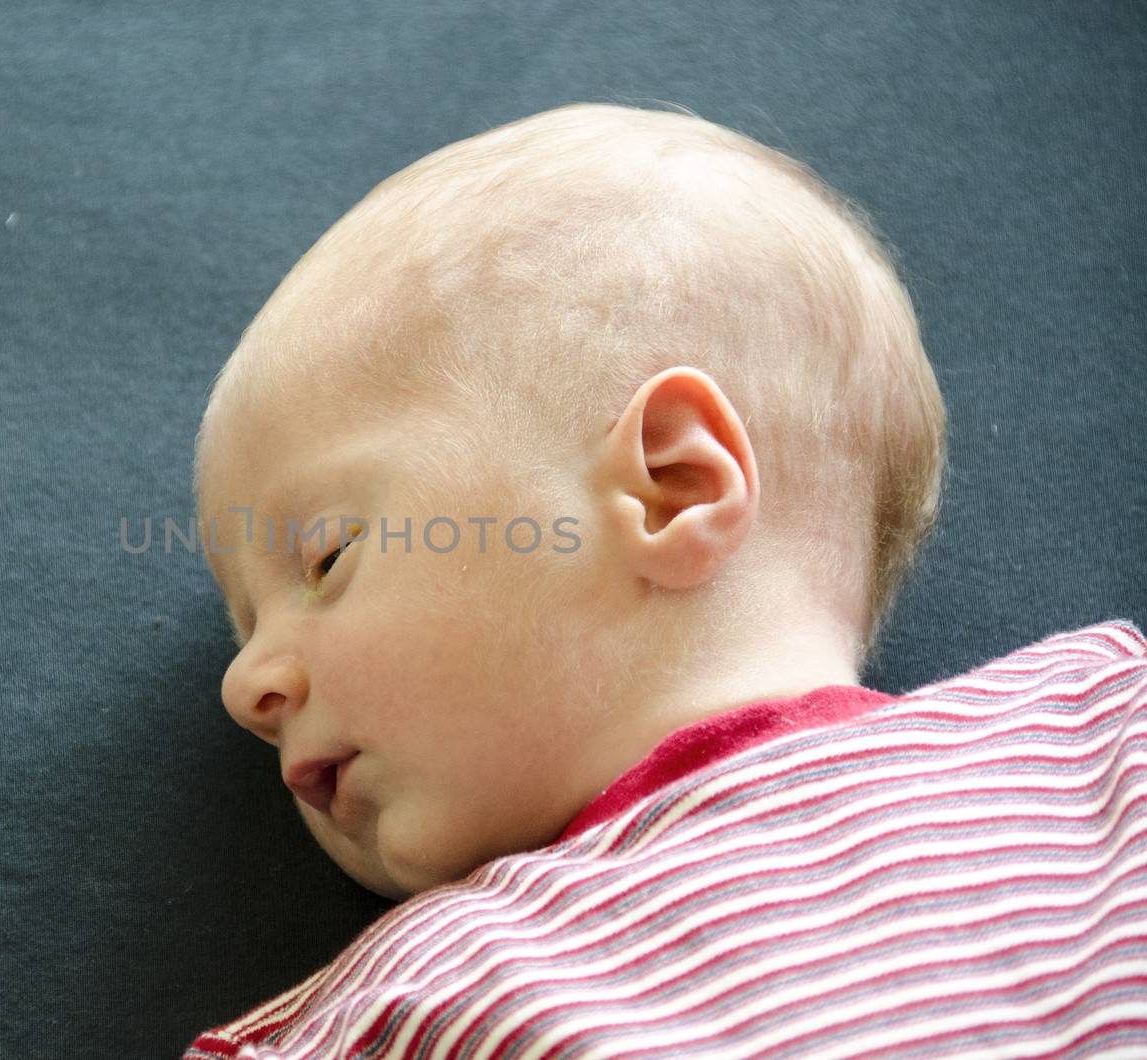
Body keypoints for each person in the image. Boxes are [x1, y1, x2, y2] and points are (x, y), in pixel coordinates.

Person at [185, 103, 1147, 1057]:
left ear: (669, 489)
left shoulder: (1100, 728)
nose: (245, 692)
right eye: (246, 628)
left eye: (326, 556)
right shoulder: (397, 1005)